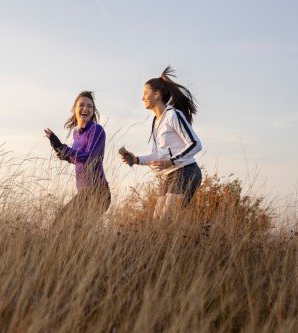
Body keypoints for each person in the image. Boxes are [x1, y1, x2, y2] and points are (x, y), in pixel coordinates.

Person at [121, 66, 202, 219]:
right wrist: (136, 159)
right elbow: (156, 154)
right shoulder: (156, 121)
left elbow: (195, 144)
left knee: (166, 219)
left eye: (145, 93)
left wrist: (171, 161)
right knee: (157, 220)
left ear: (157, 95)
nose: (142, 97)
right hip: (170, 175)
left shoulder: (173, 115)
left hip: (187, 171)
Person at [44, 91, 110, 227]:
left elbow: (89, 158)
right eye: (82, 105)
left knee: (68, 228)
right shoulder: (76, 134)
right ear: (75, 109)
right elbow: (77, 158)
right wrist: (63, 154)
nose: (86, 109)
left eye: (90, 106)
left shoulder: (97, 130)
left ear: (93, 111)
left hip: (98, 192)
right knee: (61, 227)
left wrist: (65, 149)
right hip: (85, 192)